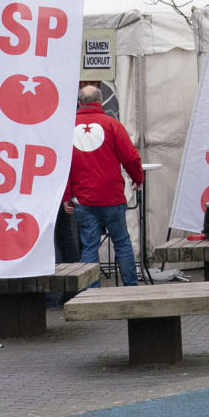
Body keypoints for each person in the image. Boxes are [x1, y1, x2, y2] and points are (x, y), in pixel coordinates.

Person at [67, 85, 142, 286]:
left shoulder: (67, 126)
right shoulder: (112, 124)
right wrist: (138, 177)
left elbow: (62, 163)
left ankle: (90, 292)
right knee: (122, 242)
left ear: (79, 102)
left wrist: (66, 195)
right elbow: (131, 157)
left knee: (89, 245)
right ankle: (131, 287)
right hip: (112, 196)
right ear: (100, 102)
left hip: (83, 198)